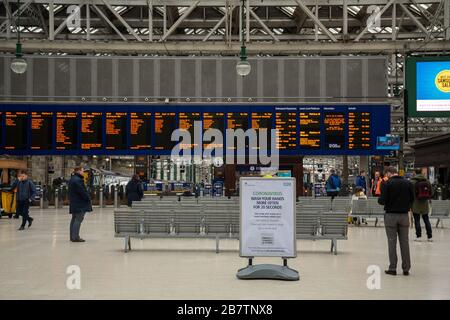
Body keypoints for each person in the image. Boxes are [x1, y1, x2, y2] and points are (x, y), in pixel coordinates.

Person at [378, 166, 415, 276]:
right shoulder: (408, 183)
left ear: (389, 173)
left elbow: (382, 201)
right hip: (404, 215)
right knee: (405, 242)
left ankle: (393, 268)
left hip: (391, 216)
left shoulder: (386, 184)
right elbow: (412, 199)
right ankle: (406, 268)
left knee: (391, 242)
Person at [68, 166, 92, 242]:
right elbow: (82, 192)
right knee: (78, 220)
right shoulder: (78, 180)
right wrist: (88, 198)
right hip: (79, 204)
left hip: (75, 203)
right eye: (82, 171)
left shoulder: (73, 179)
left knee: (74, 219)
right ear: (78, 171)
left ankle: (72, 236)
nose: (83, 172)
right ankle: (75, 237)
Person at [410, 168, 433, 242]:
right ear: (421, 172)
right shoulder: (427, 181)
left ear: (415, 172)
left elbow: (409, 194)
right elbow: (431, 193)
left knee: (417, 220)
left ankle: (418, 236)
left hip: (415, 204)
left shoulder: (412, 182)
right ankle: (430, 237)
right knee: (426, 220)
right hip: (425, 204)